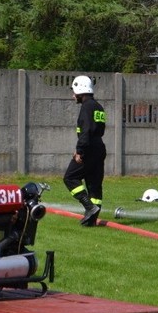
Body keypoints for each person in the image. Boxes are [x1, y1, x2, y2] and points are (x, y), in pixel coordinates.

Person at [64, 75, 106, 226]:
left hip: (88, 148)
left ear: (81, 90)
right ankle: (91, 220)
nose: (73, 95)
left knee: (69, 177)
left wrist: (79, 151)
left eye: (74, 92)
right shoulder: (98, 106)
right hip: (99, 147)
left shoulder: (86, 107)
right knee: (94, 184)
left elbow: (86, 131)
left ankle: (89, 207)